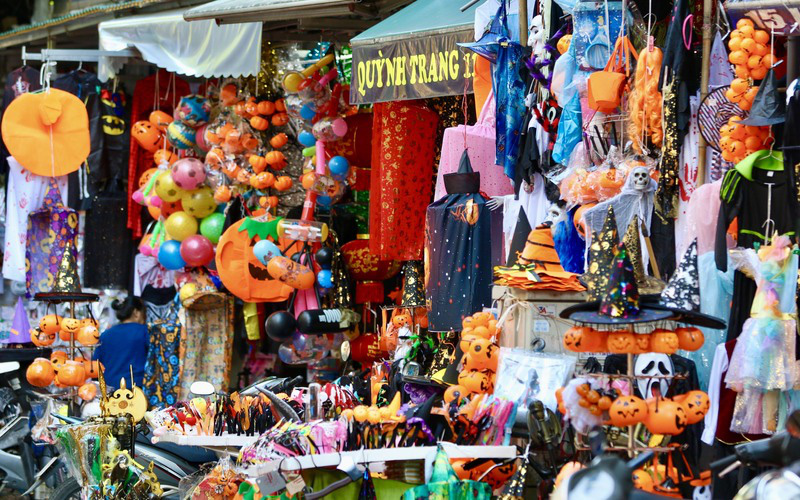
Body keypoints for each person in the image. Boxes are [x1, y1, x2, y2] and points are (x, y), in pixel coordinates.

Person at [93, 296, 148, 391]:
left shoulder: (106, 335)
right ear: (136, 312)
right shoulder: (144, 332)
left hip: (110, 391)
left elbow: (95, 366)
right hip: (136, 391)